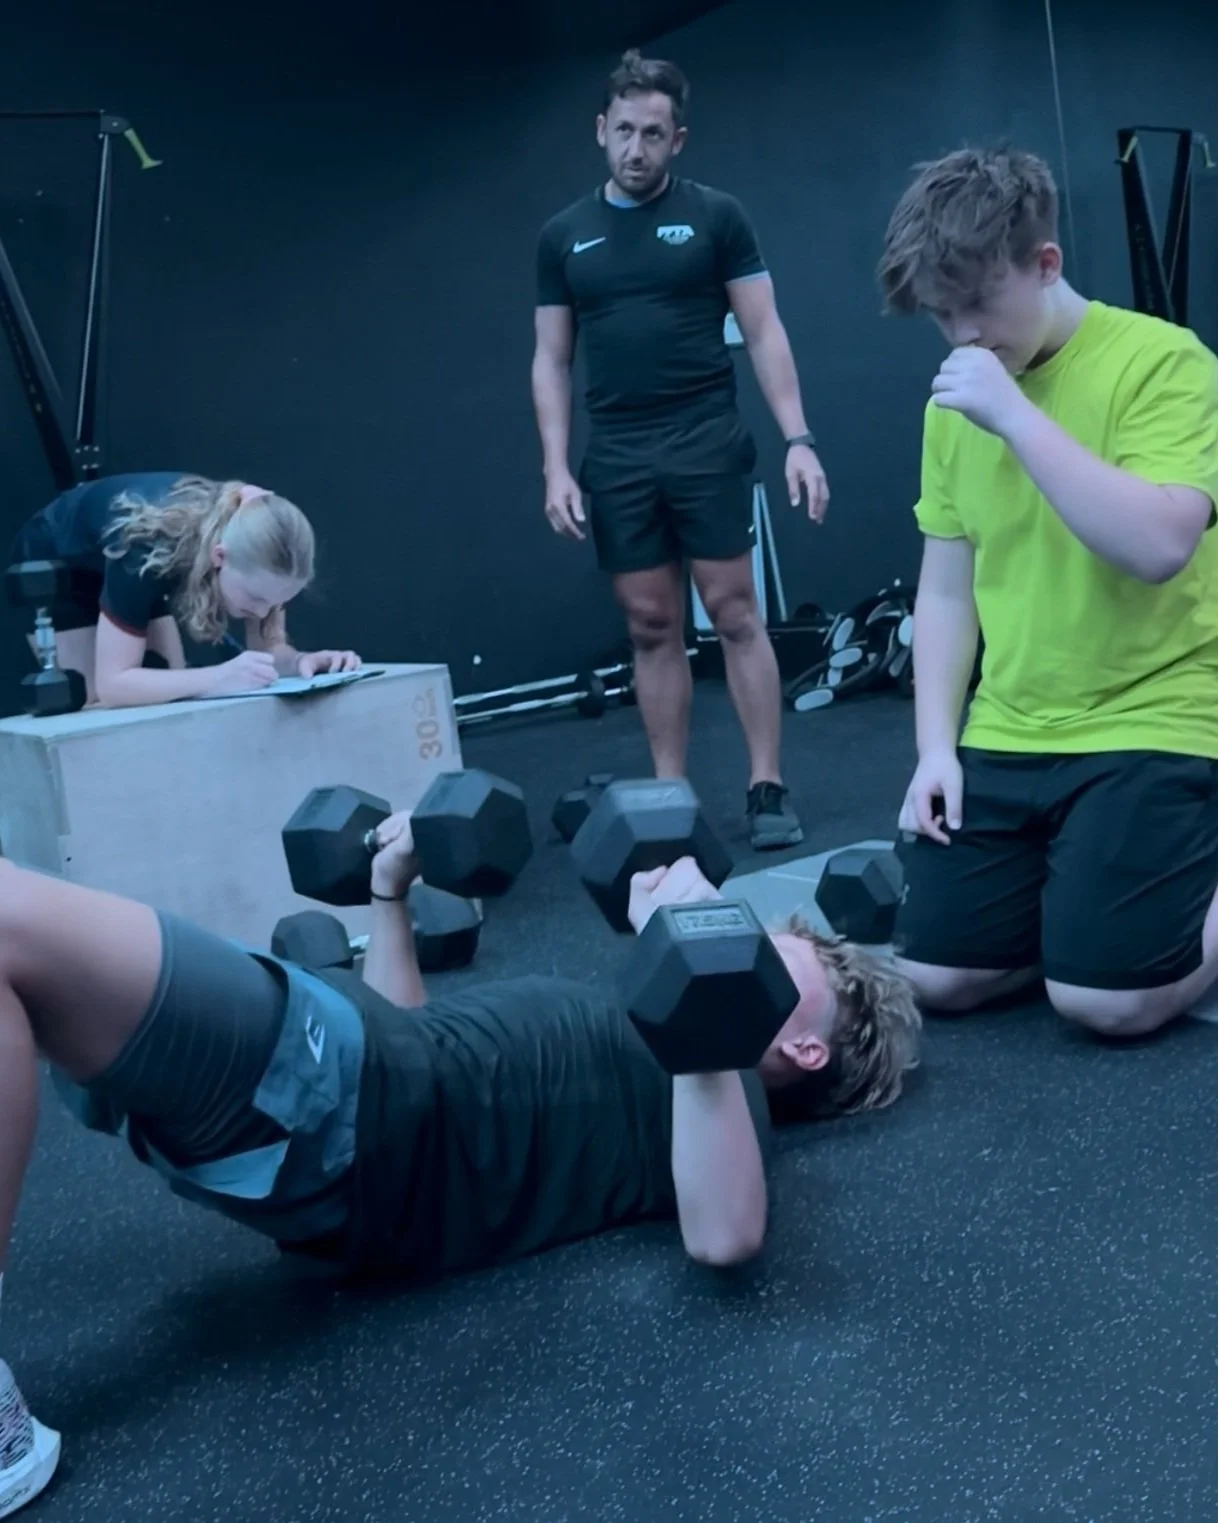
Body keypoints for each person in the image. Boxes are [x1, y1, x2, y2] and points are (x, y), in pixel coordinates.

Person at [0, 816, 921, 1515]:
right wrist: (389, 894)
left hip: (343, 1097)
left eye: (763, 953)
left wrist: (700, 955)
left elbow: (726, 1234)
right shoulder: (670, 1043)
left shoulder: (726, 1093)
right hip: (360, 1071)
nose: (735, 938)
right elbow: (421, 1036)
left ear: (804, 1049)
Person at [877, 145, 1218, 1038]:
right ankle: (1086, 910)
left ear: (1045, 264)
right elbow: (947, 592)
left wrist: (1017, 417)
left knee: (1104, 1000)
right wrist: (935, 751)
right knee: (936, 974)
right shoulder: (955, 401)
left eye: (978, 305)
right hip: (1015, 726)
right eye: (941, 316)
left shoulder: (1163, 363)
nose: (962, 337)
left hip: (1155, 711)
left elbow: (1157, 545)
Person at [532, 50, 828, 851]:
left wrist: (798, 438)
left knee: (736, 612)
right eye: (623, 130)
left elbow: (764, 331)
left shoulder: (716, 218)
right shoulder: (565, 237)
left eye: (653, 134)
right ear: (601, 130)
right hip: (619, 452)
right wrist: (556, 465)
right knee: (651, 624)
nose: (636, 148)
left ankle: (766, 786)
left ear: (678, 139)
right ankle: (672, 795)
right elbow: (551, 359)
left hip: (704, 436)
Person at [5, 472, 361, 708]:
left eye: (279, 603)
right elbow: (114, 686)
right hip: (62, 559)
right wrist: (218, 676)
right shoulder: (143, 552)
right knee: (99, 699)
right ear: (220, 557)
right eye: (256, 600)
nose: (265, 613)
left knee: (171, 687)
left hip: (144, 556)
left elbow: (267, 649)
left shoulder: (265, 554)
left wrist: (300, 662)